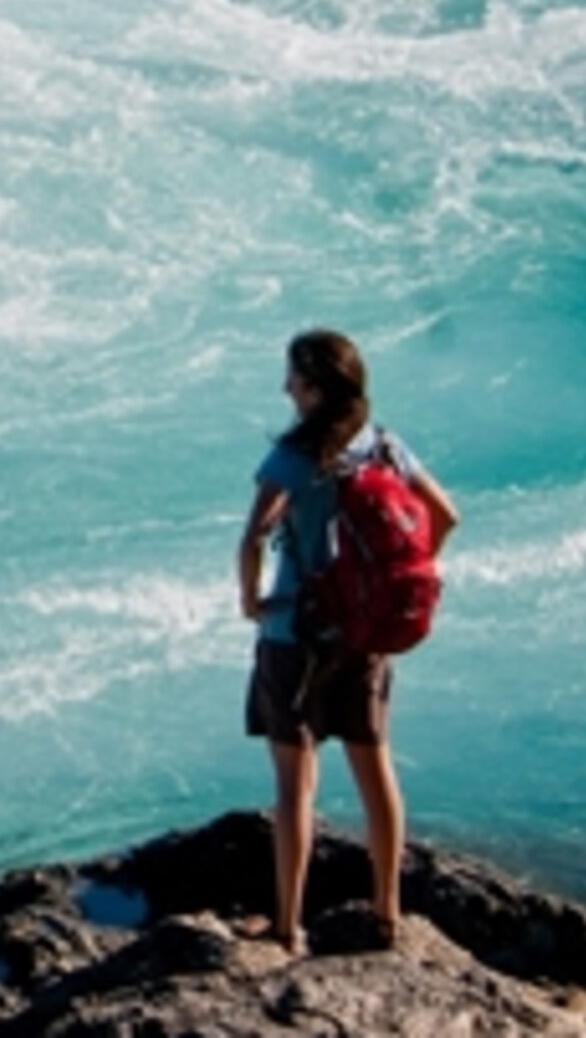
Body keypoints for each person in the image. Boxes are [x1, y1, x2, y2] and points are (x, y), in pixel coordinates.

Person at [234, 327, 459, 954]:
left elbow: (252, 539)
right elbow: (445, 516)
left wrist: (252, 600)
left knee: (294, 784)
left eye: (293, 379)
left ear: (313, 388)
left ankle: (287, 926)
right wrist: (389, 584)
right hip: (364, 633)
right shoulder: (383, 446)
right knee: (375, 769)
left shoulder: (291, 457)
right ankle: (387, 912)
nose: (285, 388)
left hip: (294, 634)